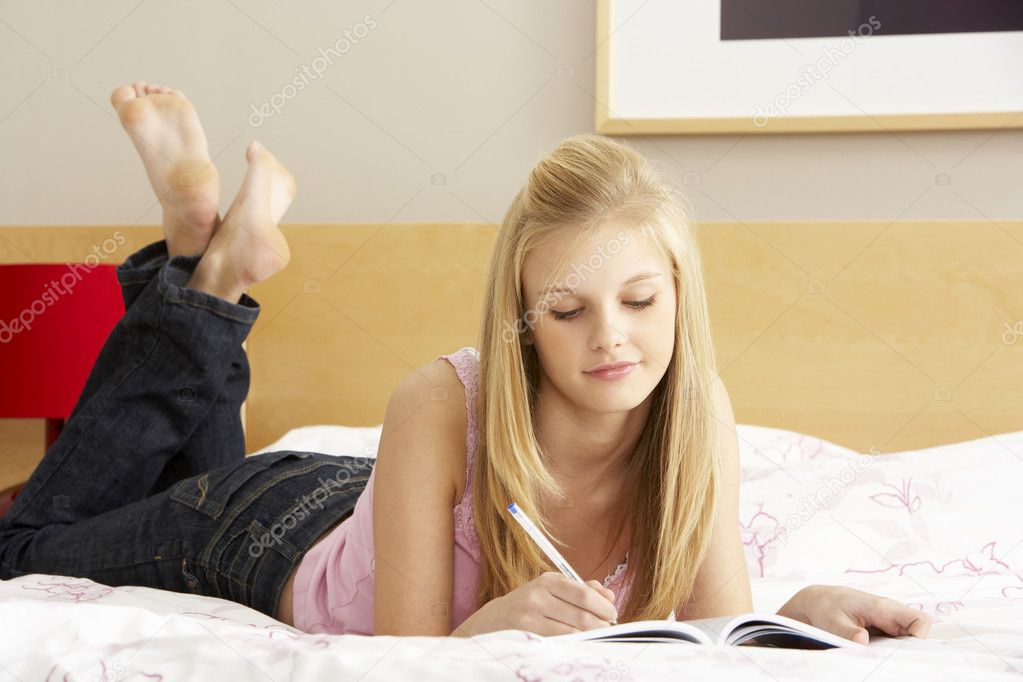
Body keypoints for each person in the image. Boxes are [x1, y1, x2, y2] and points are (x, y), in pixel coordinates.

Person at [0, 82, 932, 644]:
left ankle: (200, 262)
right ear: (522, 321)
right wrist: (479, 631)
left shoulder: (698, 413)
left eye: (640, 302)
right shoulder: (441, 401)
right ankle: (200, 269)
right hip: (268, 535)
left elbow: (703, 636)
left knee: (183, 473)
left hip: (370, 501)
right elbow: (403, 652)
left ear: (682, 296)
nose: (611, 336)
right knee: (17, 556)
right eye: (567, 311)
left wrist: (796, 612)